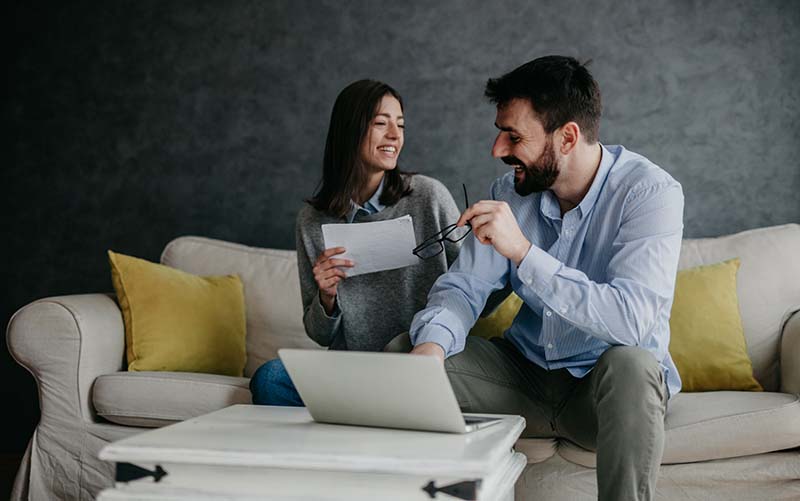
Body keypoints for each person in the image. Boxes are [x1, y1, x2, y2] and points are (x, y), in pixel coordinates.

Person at [408, 56, 684, 501]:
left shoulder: (650, 194)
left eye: (513, 136)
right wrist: (430, 348)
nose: (498, 150)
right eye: (500, 132)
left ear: (568, 137)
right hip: (525, 380)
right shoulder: (510, 192)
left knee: (634, 365)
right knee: (405, 354)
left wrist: (523, 252)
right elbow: (466, 288)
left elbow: (632, 322)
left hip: (604, 394)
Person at [250, 79, 462, 406]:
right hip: (354, 366)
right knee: (271, 378)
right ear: (350, 131)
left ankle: (368, 416)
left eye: (400, 124)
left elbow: (474, 288)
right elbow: (320, 335)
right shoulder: (312, 220)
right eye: (381, 123)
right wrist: (326, 297)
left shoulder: (427, 197)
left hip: (419, 361)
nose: (395, 134)